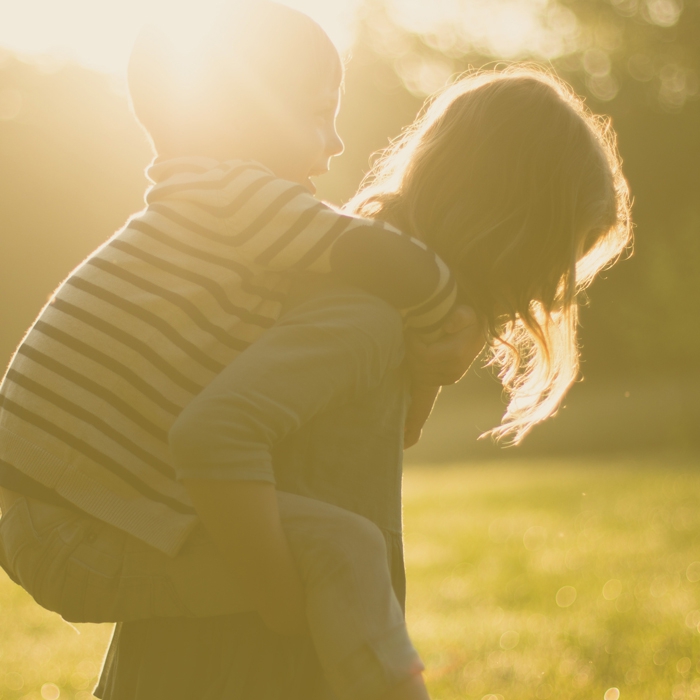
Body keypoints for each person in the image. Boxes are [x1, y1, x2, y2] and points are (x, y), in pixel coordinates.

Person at [95, 62, 633, 700]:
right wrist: (283, 604)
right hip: (237, 656)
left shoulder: (382, 310)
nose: (548, 289)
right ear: (503, 225)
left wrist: (436, 358)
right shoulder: (364, 317)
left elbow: (369, 439)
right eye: (554, 257)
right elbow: (215, 434)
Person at [0, 4, 481, 700]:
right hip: (76, 525)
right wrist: (450, 323)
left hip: (64, 516)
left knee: (324, 554)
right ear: (240, 116)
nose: (338, 141)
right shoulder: (234, 196)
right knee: (343, 553)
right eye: (319, 114)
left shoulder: (204, 209)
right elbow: (384, 260)